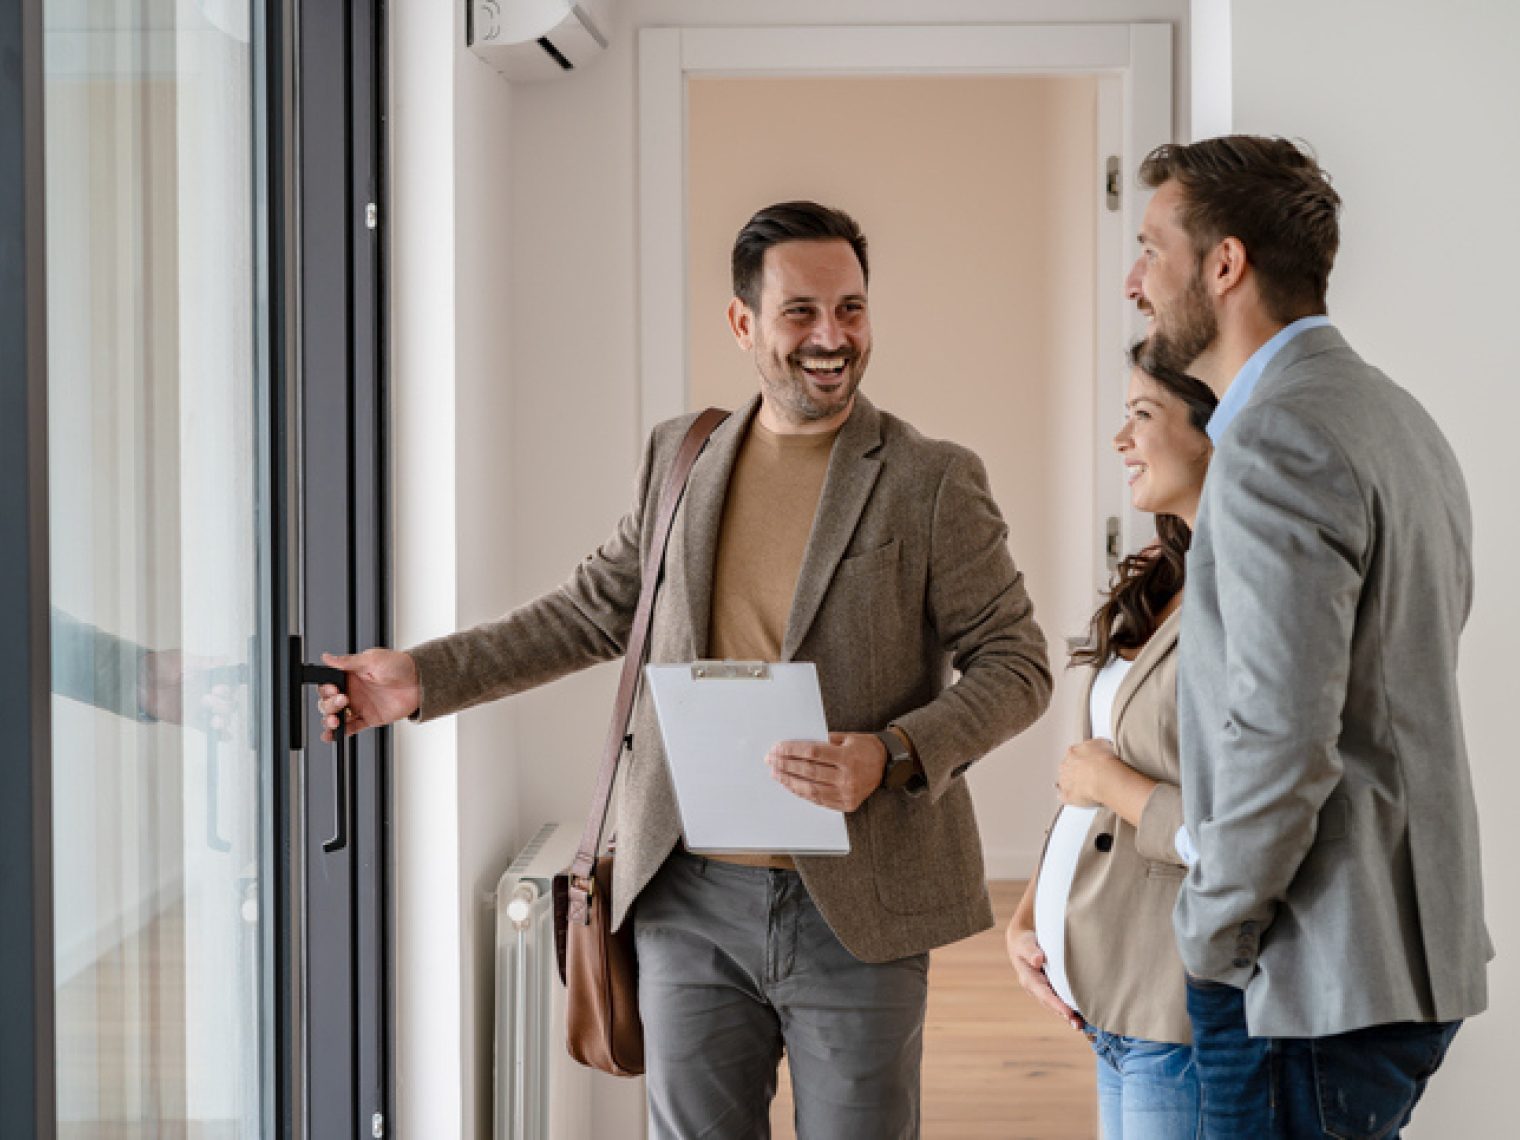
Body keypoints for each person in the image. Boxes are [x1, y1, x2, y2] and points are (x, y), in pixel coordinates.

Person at [317, 201, 1053, 1138]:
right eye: (801, 312)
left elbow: (1017, 663)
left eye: (852, 309)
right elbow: (593, 609)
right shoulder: (683, 455)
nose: (832, 337)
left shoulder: (931, 476)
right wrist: (423, 677)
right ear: (743, 323)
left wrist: (894, 751)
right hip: (687, 893)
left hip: (860, 899)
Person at [1125, 135, 1490, 1137]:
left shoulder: (1274, 438)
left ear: (1224, 264)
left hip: (1303, 976)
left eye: (1150, 248)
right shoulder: (1393, 417)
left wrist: (1207, 934)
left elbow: (1279, 739)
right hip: (1405, 961)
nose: (1132, 281)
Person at [1006, 351, 1215, 1140]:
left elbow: (1244, 831)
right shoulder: (1165, 579)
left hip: (1176, 1005)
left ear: (1212, 429)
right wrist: (1029, 915)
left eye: (1143, 415)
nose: (1120, 439)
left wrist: (1108, 778)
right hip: (1107, 999)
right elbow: (1082, 778)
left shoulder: (1250, 594)